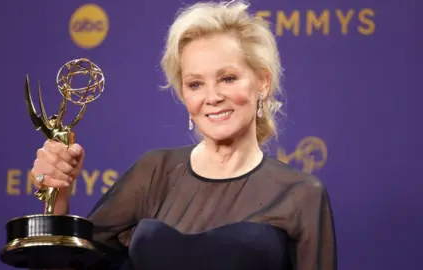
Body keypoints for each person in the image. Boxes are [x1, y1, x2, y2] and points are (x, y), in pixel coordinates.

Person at [30, 1, 337, 269]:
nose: (212, 96)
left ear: (262, 83)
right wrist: (60, 194)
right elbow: (68, 266)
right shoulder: (154, 173)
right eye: (195, 84)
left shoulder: (301, 194)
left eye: (228, 78)